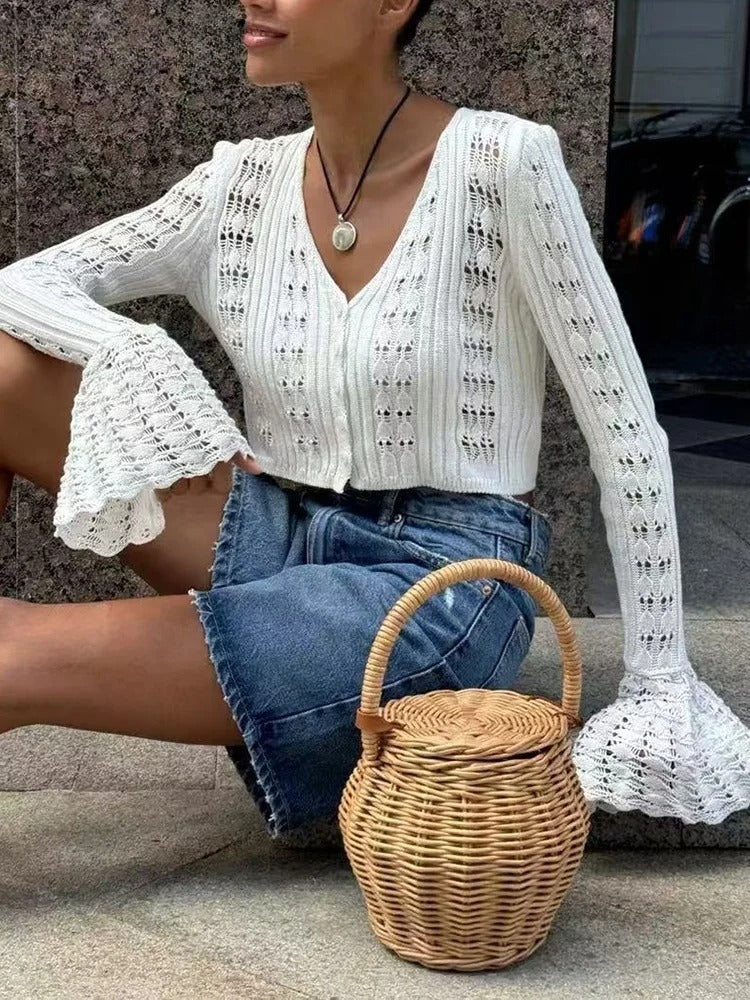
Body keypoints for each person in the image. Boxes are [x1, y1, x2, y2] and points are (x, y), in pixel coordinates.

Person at [0, 0, 747, 841]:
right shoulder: (237, 184)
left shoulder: (502, 163)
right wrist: (130, 353)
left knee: (10, 657)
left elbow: (625, 430)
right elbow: (19, 286)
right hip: (280, 527)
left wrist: (659, 677)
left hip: (439, 583)